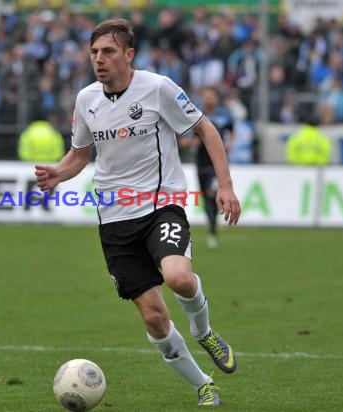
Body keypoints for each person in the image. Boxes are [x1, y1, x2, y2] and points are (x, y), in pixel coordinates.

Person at [35, 19, 240, 407]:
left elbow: (206, 130)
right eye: (94, 52)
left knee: (179, 277)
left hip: (162, 205)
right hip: (114, 219)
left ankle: (204, 331)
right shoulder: (86, 99)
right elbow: (81, 154)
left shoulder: (158, 88)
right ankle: (203, 384)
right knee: (153, 319)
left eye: (108, 51)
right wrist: (59, 173)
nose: (99, 59)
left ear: (129, 55)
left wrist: (225, 186)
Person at [181, 87, 235, 249]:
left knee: (212, 193)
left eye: (211, 96)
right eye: (205, 97)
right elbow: (182, 140)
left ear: (216, 98)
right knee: (205, 198)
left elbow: (232, 132)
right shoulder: (194, 115)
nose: (208, 99)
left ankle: (212, 229)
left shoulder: (224, 116)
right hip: (201, 163)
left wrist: (229, 144)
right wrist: (192, 143)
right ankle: (212, 229)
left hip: (215, 164)